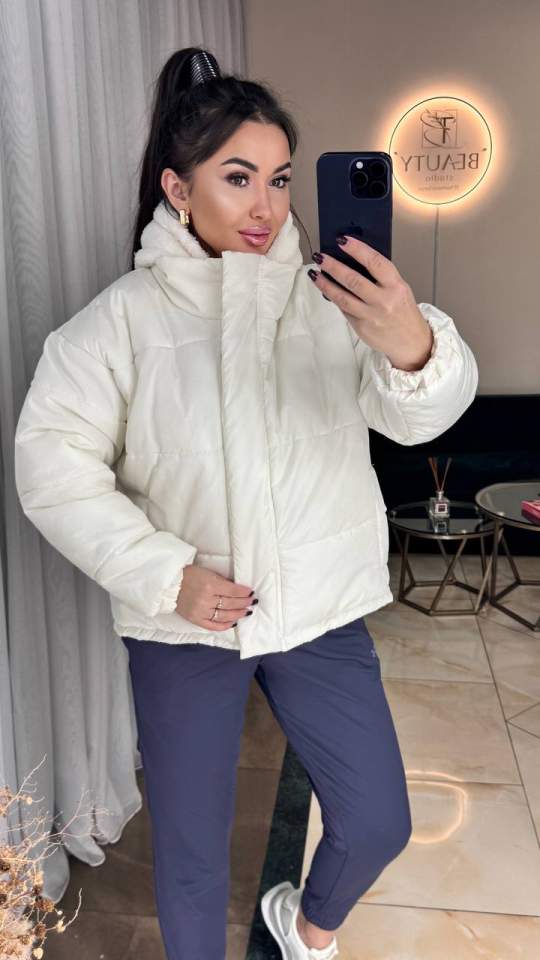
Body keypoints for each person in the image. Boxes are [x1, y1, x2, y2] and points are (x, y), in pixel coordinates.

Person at [14, 46, 478, 960]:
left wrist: (413, 345)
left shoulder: (331, 304)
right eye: (237, 178)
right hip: (186, 627)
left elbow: (416, 419)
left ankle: (303, 929)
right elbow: (52, 466)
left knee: (379, 820)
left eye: (279, 178)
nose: (266, 206)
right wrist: (166, 576)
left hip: (321, 610)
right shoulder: (117, 323)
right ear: (178, 188)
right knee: (190, 858)